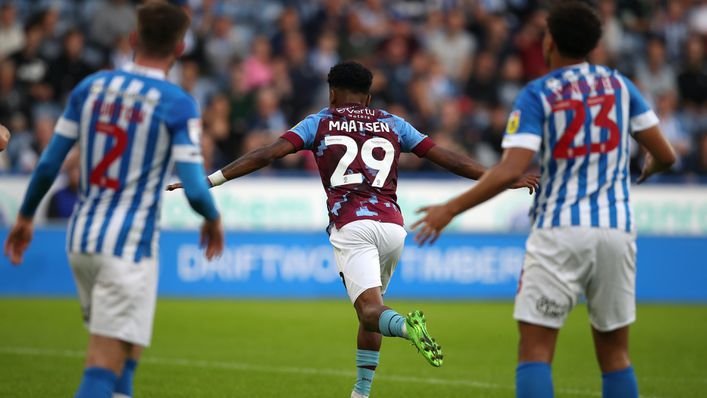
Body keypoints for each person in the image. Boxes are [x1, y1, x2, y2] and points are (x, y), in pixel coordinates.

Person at [167, 60, 539, 398]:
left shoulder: (320, 121)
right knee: (371, 310)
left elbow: (266, 153)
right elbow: (448, 158)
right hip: (394, 227)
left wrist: (209, 180)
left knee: (370, 311)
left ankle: (409, 328)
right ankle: (361, 392)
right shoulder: (394, 124)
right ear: (369, 95)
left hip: (352, 224)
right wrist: (505, 178)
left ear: (331, 92)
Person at [412, 3, 676, 398]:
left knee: (535, 349)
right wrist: (651, 167)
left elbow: (508, 169)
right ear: (594, 43)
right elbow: (666, 154)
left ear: (549, 40)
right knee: (615, 353)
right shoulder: (621, 86)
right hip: (617, 230)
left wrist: (450, 208)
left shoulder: (538, 93)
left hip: (559, 230)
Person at [3, 3, 224, 398]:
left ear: (134, 39)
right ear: (179, 49)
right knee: (101, 365)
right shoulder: (177, 102)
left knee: (126, 350)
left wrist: (24, 216)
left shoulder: (91, 87)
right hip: (127, 247)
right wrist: (211, 216)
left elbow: (51, 160)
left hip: (82, 239)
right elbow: (193, 186)